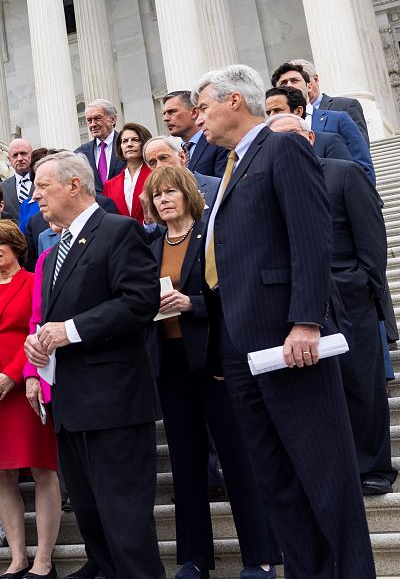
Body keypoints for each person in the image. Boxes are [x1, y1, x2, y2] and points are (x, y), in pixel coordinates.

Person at [196, 65, 376, 577]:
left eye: (204, 106)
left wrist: (306, 320)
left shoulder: (282, 148)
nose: (198, 118)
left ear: (234, 101)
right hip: (241, 343)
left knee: (323, 472)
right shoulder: (233, 163)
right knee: (274, 476)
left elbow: (310, 236)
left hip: (288, 336)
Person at [24, 152, 163, 579]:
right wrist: (40, 344)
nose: (36, 196)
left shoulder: (118, 231)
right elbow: (53, 320)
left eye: (43, 186)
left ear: (74, 185)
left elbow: (141, 302)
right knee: (92, 522)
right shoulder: (52, 252)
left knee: (126, 524)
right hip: (71, 407)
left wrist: (72, 330)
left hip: (114, 405)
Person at [141, 166, 280, 579]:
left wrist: (193, 305)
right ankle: (194, 558)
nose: (164, 199)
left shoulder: (212, 236)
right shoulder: (150, 248)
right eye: (157, 194)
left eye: (171, 192)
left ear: (188, 194)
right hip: (171, 364)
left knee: (238, 460)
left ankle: (260, 555)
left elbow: (234, 293)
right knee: (185, 464)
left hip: (216, 360)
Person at [267, 113, 396, 495]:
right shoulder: (272, 185)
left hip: (349, 296)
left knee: (362, 386)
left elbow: (373, 245)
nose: (285, 146)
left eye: (291, 137)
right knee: (321, 392)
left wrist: (360, 286)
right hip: (297, 301)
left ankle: (373, 467)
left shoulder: (343, 174)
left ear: (309, 137)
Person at [0, 221, 60, 579]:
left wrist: (12, 373)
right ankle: (18, 557)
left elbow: (38, 330)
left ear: (16, 247)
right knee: (1, 474)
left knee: (41, 468)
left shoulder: (35, 282)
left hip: (24, 385)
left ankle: (44, 559)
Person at [266, 83, 374, 182]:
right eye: (268, 112)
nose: (272, 116)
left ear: (298, 111)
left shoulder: (329, 141)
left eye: (277, 110)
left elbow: (348, 179)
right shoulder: (268, 151)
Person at [277, 58, 369, 137]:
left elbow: (360, 149)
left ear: (315, 80)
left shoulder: (345, 107)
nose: (290, 86)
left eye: (295, 80)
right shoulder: (280, 119)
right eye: (284, 83)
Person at [161, 90, 228, 177]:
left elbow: (222, 185)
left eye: (172, 112)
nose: (165, 118)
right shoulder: (174, 151)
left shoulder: (219, 143)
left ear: (194, 112)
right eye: (164, 113)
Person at [144, 136, 221, 207]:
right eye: (152, 163)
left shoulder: (216, 186)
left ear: (182, 157)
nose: (159, 166)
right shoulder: (151, 197)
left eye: (163, 158)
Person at [102, 122, 152, 221]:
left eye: (135, 140)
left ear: (145, 143)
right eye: (124, 141)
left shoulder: (155, 175)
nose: (129, 144)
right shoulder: (109, 185)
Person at [74, 100, 122, 182]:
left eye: (97, 118)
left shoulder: (127, 145)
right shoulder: (80, 153)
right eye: (89, 120)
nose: (92, 124)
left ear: (112, 120)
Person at [0, 137, 38, 226]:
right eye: (15, 155)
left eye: (23, 153)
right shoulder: (0, 188)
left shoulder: (42, 182)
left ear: (32, 155)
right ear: (9, 159)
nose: (19, 158)